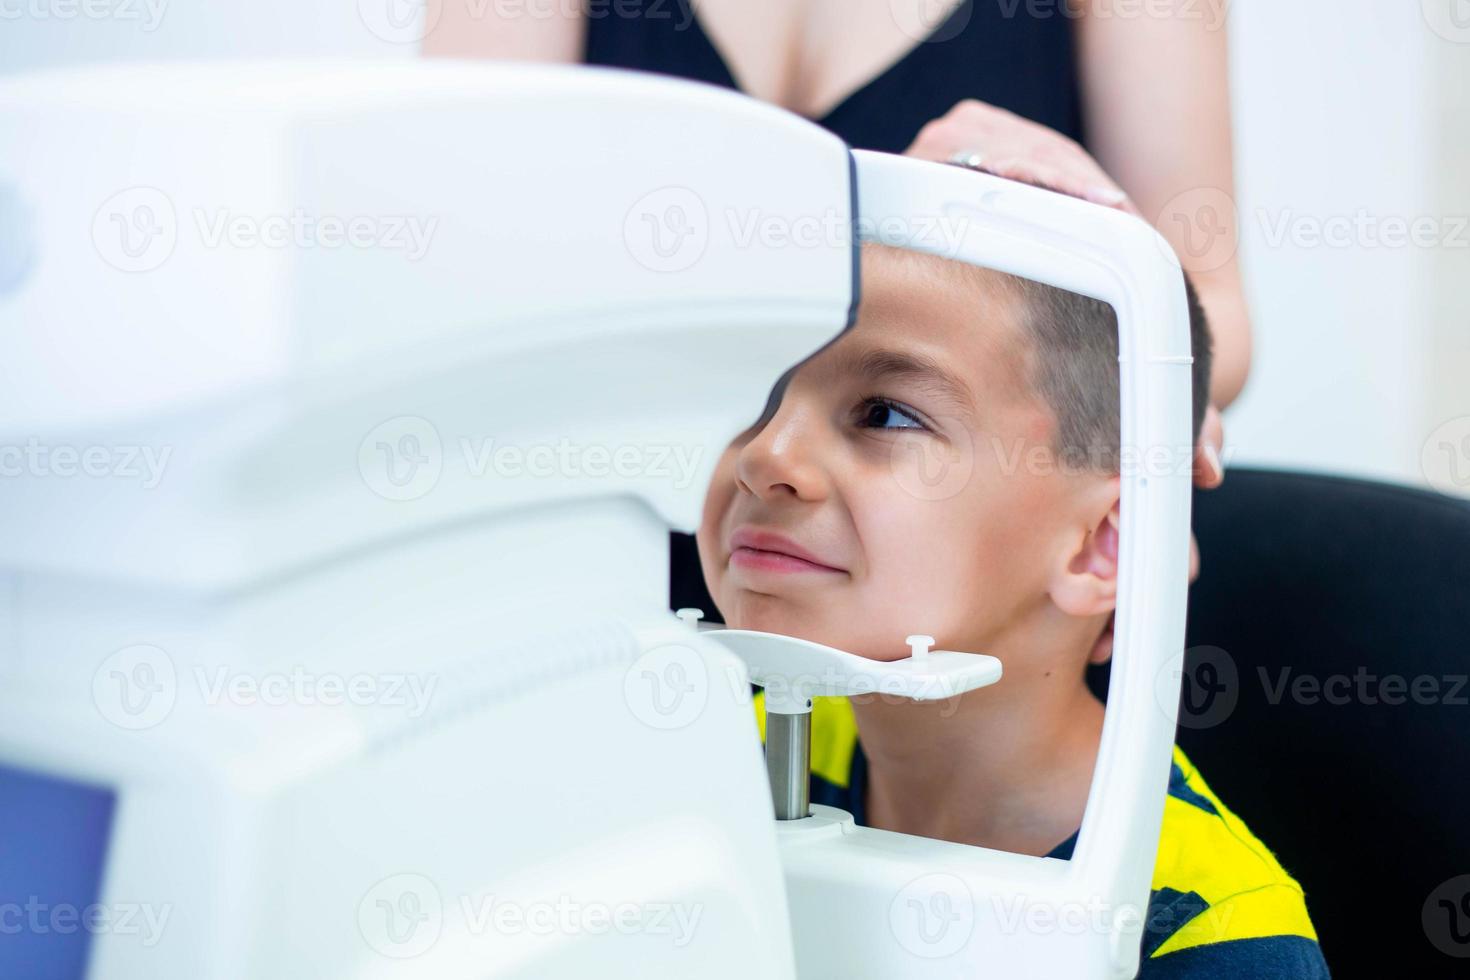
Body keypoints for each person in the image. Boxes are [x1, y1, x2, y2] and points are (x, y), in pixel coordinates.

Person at [694, 241, 1329, 976]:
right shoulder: (735, 759)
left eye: (885, 415)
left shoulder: (1211, 937)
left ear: (1103, 548)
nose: (764, 456)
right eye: (762, 396)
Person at [423, 0, 1244, 487]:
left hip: (926, 565)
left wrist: (1134, 330)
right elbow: (455, 282)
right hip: (605, 531)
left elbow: (1213, 312)